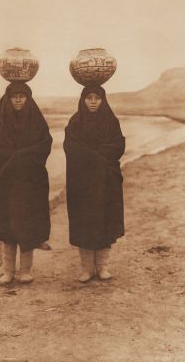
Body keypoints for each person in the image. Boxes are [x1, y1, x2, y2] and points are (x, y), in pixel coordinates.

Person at [0, 81, 52, 284]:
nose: (19, 99)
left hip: (29, 182)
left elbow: (45, 144)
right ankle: (8, 271)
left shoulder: (36, 120)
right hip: (4, 182)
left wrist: (21, 157)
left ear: (28, 98)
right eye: (15, 96)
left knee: (26, 225)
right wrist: (12, 160)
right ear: (8, 98)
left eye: (23, 96)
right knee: (7, 227)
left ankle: (26, 271)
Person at [63, 85, 125, 282]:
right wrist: (98, 155)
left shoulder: (111, 120)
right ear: (82, 100)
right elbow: (71, 148)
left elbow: (118, 145)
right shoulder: (75, 122)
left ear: (103, 100)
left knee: (105, 220)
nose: (92, 102)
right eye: (88, 98)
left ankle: (103, 267)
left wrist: (94, 155)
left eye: (96, 98)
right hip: (82, 182)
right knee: (85, 222)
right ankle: (87, 269)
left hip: (106, 180)